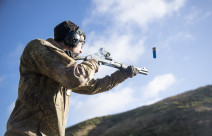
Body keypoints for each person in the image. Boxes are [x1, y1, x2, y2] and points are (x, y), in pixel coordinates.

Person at [5, 20, 138, 136]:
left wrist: (122, 75)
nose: (81, 51)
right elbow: (76, 78)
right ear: (72, 39)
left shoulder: (62, 71)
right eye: (82, 44)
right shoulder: (37, 47)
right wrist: (93, 62)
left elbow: (91, 87)